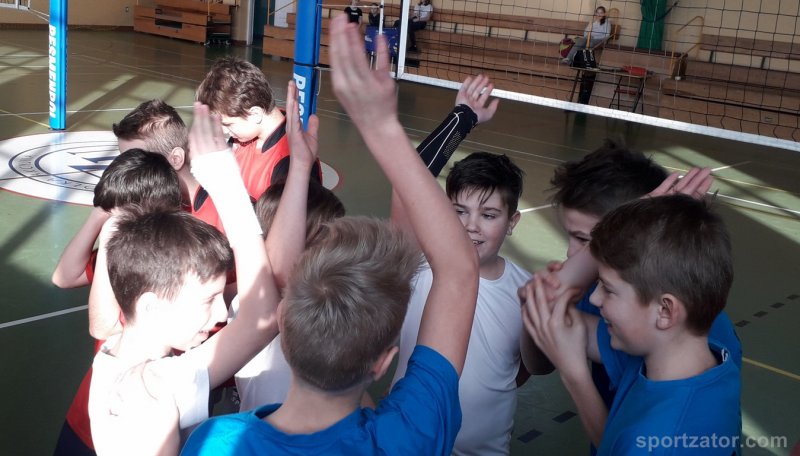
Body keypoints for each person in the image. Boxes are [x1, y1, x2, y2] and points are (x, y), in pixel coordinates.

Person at [181, 14, 480, 455]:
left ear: (281, 323)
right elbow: (459, 270)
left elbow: (272, 276)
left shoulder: (215, 443)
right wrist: (383, 128)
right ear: (383, 362)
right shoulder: (409, 435)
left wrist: (285, 172)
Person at [87, 82, 317, 455]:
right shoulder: (150, 394)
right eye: (208, 299)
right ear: (151, 306)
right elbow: (262, 317)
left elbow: (260, 315)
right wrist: (227, 185)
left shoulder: (127, 359)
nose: (221, 313)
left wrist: (300, 167)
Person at [522, 195, 741, 455]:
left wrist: (574, 375)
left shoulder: (655, 440)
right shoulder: (704, 355)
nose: (594, 298)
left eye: (608, 289)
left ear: (665, 311)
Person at [391, 151, 553, 455]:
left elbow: (526, 368)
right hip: (407, 442)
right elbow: (404, 184)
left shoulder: (525, 289)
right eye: (459, 211)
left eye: (488, 215)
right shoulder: (418, 266)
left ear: (512, 222)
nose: (471, 225)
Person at [51, 149, 183, 456]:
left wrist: (110, 235)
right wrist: (100, 213)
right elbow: (64, 276)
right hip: (92, 408)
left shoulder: (169, 262)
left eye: (119, 214)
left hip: (139, 419)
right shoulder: (130, 247)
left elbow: (102, 326)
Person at [195, 56, 322, 204]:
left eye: (228, 124)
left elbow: (290, 216)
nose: (223, 131)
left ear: (255, 114)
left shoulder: (289, 162)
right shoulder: (241, 139)